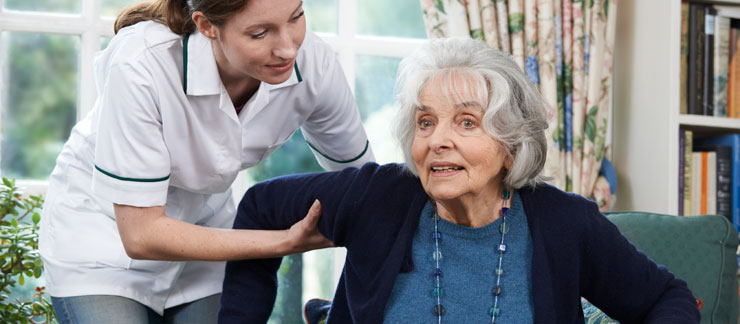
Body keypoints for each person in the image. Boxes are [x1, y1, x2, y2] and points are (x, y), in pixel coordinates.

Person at [219, 37, 700, 323]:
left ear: (511, 144)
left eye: (466, 122)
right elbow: (259, 207)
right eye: (425, 122)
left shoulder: (564, 222)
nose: (436, 141)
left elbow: (668, 298)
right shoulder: (379, 195)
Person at [38, 0, 373, 323]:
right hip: (104, 242)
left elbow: (367, 185)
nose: (287, 48)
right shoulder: (140, 62)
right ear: (207, 26)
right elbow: (140, 235)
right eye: (260, 33)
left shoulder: (314, 63)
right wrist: (283, 241)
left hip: (205, 239)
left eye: (296, 16)